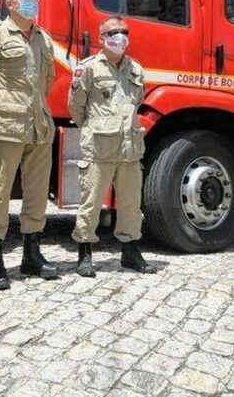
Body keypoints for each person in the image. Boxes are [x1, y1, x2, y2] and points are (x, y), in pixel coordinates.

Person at [0, 0, 58, 290]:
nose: (32, 3)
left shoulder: (43, 38)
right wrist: (0, 105)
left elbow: (47, 81)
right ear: (11, 3)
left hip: (39, 126)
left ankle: (31, 255)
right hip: (6, 126)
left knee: (36, 194)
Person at [67, 15, 156, 277]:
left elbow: (136, 102)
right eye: (113, 32)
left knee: (130, 203)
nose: (120, 36)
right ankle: (85, 253)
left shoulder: (137, 70)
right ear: (101, 38)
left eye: (124, 31)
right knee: (91, 202)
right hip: (99, 147)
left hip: (129, 148)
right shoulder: (89, 68)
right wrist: (96, 126)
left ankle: (130, 252)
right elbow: (76, 106)